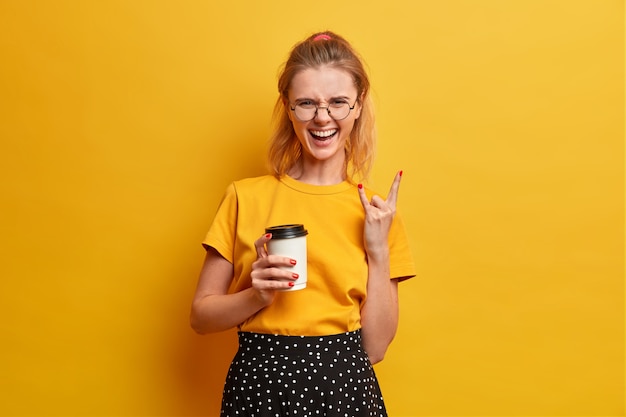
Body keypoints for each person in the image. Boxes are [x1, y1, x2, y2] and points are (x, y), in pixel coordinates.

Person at [190, 30, 416, 417]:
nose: (322, 117)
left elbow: (375, 349)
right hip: (258, 387)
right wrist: (256, 295)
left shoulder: (377, 214)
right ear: (288, 107)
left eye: (338, 103)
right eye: (307, 103)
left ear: (359, 105)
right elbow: (200, 317)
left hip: (346, 390)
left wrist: (378, 251)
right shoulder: (245, 197)